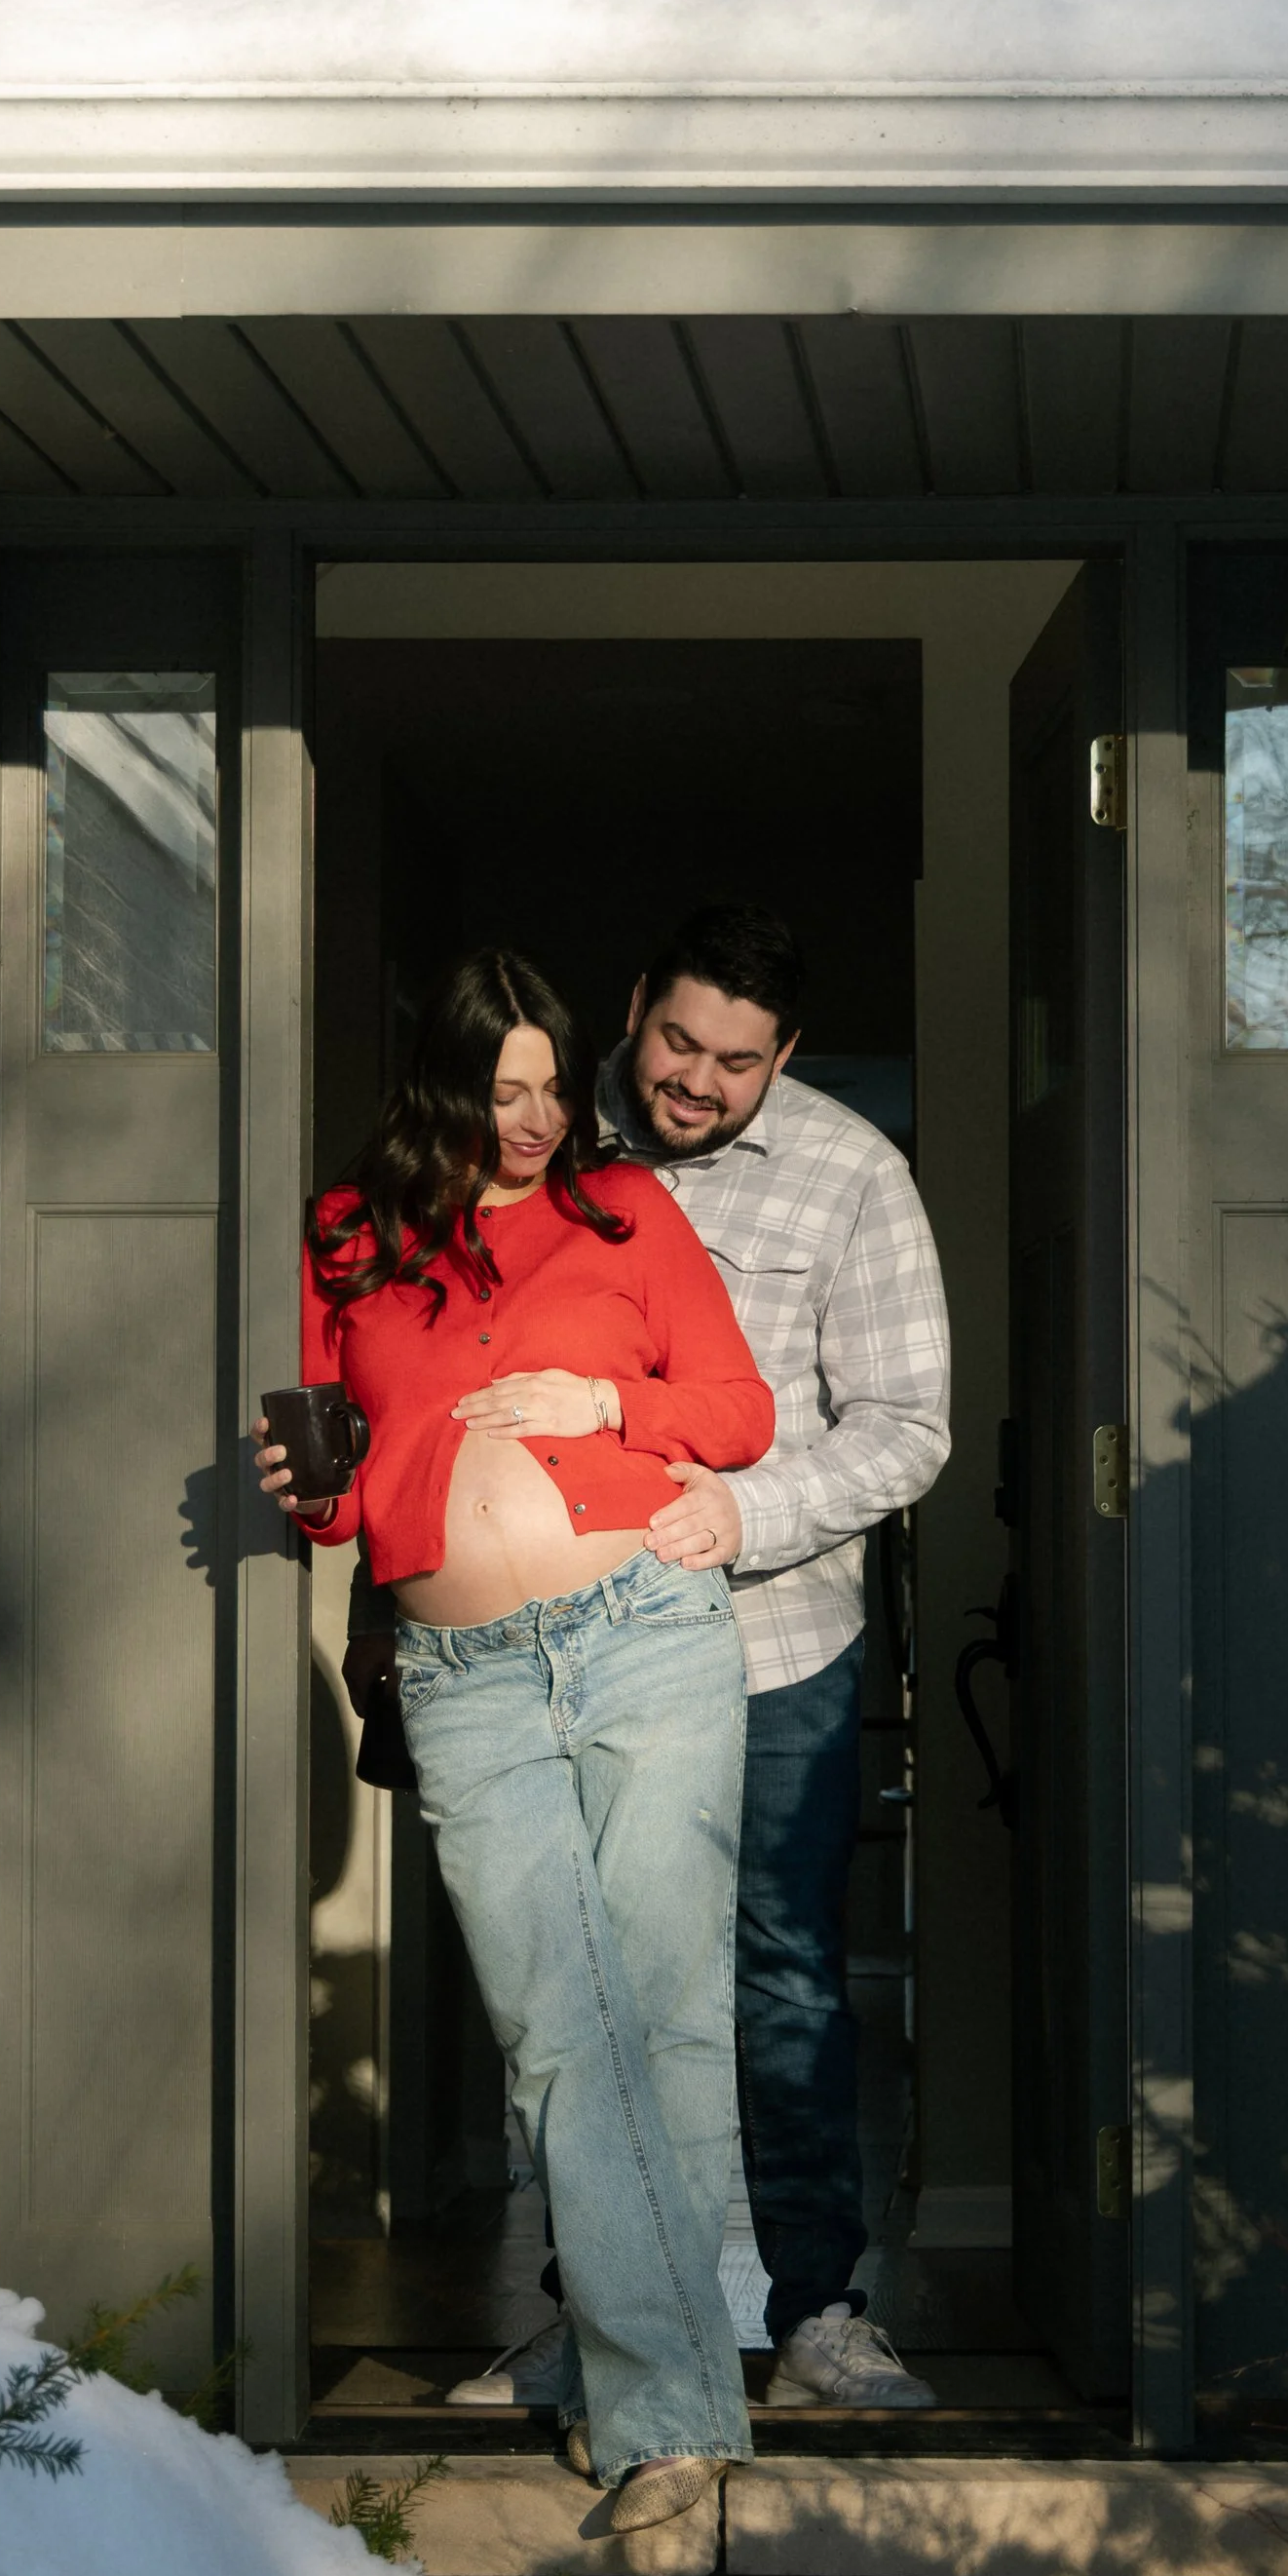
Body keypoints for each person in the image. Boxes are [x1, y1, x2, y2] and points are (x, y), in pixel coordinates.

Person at [254, 948, 774, 2533]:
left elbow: (741, 1412)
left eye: (553, 1083)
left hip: (643, 1638)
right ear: (443, 1082)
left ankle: (662, 2426)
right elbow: (343, 1486)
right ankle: (679, 2400)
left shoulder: (628, 1216)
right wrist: (308, 1485)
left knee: (671, 2022)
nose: (539, 1115)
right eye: (505, 1087)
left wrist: (605, 1412)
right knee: (560, 2034)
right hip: (463, 1670)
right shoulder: (348, 1238)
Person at [446, 901, 952, 2415]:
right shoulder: (537, 1129)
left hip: (769, 1637)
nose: (697, 1081)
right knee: (582, 1990)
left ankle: (820, 2309)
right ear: (633, 1008)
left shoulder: (855, 1175)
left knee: (782, 1977)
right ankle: (594, 2313)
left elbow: (910, 1426)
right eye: (677, 1041)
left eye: (739, 1060)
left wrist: (743, 1511)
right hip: (555, 1642)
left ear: (785, 1056)